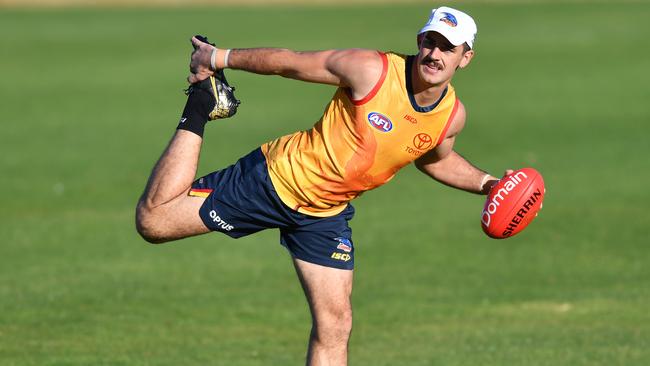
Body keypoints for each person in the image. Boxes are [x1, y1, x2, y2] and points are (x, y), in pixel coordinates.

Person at [136, 6, 505, 365]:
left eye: (447, 47)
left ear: (465, 58)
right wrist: (219, 57)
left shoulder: (451, 117)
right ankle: (201, 105)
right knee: (154, 223)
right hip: (275, 179)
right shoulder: (371, 70)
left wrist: (489, 184)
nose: (434, 54)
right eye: (430, 41)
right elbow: (289, 62)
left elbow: (435, 159)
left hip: (324, 216)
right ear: (419, 40)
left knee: (336, 325)